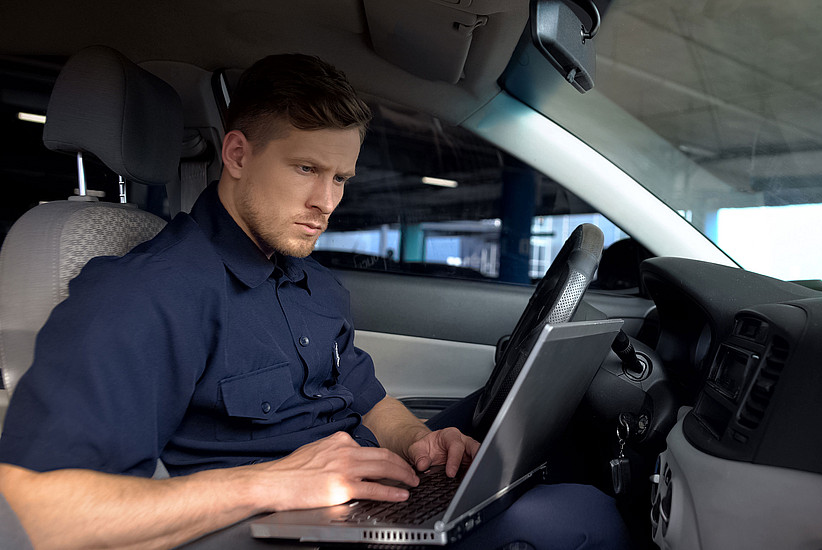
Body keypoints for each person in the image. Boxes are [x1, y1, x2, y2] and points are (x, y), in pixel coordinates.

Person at [0, 54, 628, 549]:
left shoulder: (313, 282)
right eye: (305, 169)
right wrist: (268, 483)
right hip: (271, 530)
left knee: (557, 437)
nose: (327, 201)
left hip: (362, 498)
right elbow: (42, 515)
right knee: (578, 516)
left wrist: (417, 442)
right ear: (238, 154)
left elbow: (366, 397)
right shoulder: (144, 294)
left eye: (340, 178)